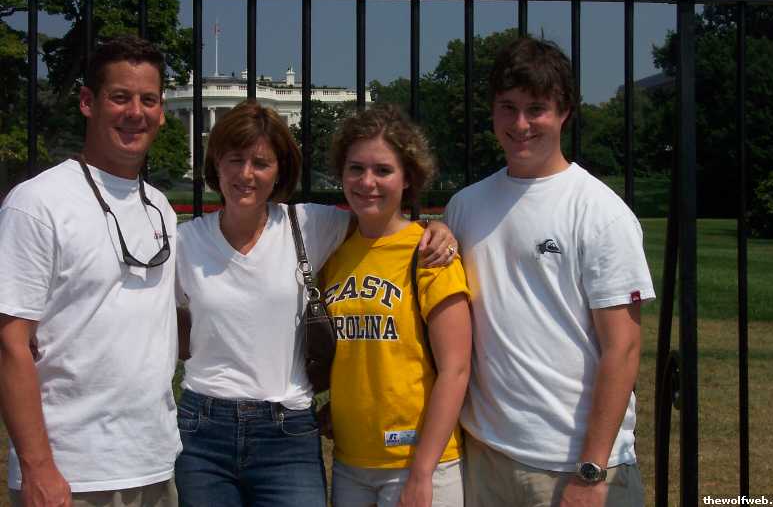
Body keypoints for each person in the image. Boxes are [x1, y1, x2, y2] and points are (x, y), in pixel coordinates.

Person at [173, 100, 457, 507]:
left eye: (261, 163)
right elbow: (166, 322)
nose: (246, 174)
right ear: (216, 164)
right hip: (204, 427)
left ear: (279, 171)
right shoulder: (185, 241)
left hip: (286, 427)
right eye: (235, 160)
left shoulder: (309, 225)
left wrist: (436, 228)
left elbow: (382, 222)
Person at [444, 37, 655, 507]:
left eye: (536, 109)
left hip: (574, 465)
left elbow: (623, 348)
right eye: (508, 107)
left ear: (564, 113)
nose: (520, 124)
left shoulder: (600, 211)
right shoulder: (464, 207)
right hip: (485, 457)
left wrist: (591, 470)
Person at [0, 36, 180, 507]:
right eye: (120, 97)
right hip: (70, 474)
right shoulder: (38, 203)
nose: (135, 112)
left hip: (154, 463)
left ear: (162, 111)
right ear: (87, 102)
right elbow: (10, 343)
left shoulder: (160, 207)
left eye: (148, 100)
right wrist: (38, 468)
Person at [322, 104, 472, 507]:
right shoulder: (334, 254)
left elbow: (456, 369)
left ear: (408, 178)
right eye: (356, 168)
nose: (367, 182)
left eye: (383, 170)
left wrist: (422, 473)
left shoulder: (430, 252)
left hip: (419, 462)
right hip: (351, 461)